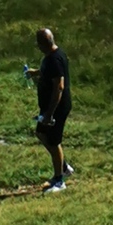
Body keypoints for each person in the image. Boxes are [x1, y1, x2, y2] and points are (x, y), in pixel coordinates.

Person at [31, 27, 72, 190]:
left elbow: (59, 87)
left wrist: (50, 114)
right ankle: (63, 167)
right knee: (41, 133)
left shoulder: (54, 59)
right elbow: (49, 73)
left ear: (43, 44)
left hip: (56, 108)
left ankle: (59, 180)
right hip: (48, 107)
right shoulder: (53, 56)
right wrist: (36, 73)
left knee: (54, 142)